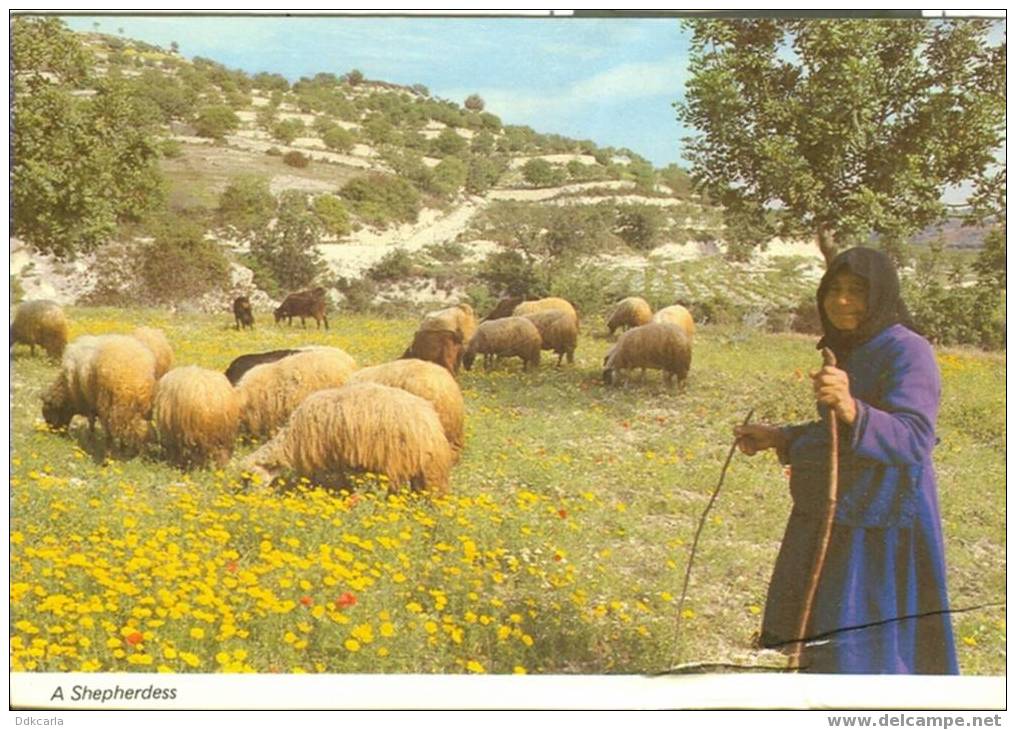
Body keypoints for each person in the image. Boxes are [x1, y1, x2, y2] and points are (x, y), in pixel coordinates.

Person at [735, 247, 958, 674]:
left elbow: (914, 438)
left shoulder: (908, 350)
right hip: (838, 508)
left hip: (884, 516)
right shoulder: (851, 346)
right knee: (827, 624)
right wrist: (781, 437)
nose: (841, 301)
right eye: (833, 290)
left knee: (868, 633)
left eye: (856, 291)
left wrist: (852, 408)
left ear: (880, 296)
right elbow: (838, 433)